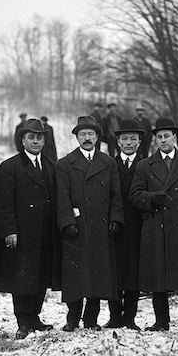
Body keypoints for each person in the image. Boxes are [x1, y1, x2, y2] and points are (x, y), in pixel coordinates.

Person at [130, 118, 178, 333]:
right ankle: (162, 322)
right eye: (159, 137)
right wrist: (152, 198)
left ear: (175, 138)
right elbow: (134, 195)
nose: (163, 140)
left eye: (166, 136)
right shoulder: (144, 165)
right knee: (158, 275)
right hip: (156, 226)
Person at [56, 116, 123, 331]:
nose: (87, 138)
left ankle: (91, 319)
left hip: (100, 227)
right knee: (76, 276)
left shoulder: (108, 162)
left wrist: (115, 218)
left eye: (91, 134)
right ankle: (73, 317)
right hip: (77, 227)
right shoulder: (65, 164)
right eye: (83, 134)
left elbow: (115, 194)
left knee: (97, 274)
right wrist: (67, 222)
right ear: (76, 137)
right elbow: (62, 196)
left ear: (97, 137)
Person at [0, 118, 61, 339]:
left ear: (45, 140)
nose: (35, 141)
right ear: (22, 140)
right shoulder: (10, 167)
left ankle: (34, 317)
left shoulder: (51, 166)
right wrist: (9, 230)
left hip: (45, 232)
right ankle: (23, 321)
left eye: (39, 137)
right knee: (22, 276)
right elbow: (3, 203)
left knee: (41, 275)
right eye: (31, 137)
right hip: (22, 234)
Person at [104, 120, 144, 330]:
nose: (129, 143)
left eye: (133, 139)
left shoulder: (146, 165)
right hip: (113, 226)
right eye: (125, 139)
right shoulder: (109, 164)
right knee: (114, 272)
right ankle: (114, 316)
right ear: (118, 142)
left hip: (138, 226)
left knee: (132, 273)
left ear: (139, 142)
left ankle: (130, 317)